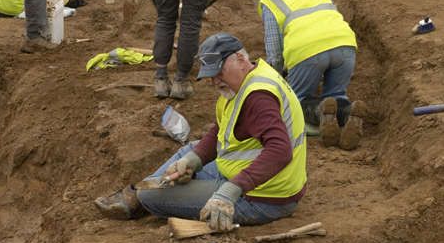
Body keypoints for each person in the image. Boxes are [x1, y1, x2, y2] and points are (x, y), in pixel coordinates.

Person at [93, 33, 305, 230]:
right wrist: (194, 160)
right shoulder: (250, 78)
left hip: (263, 197)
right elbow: (222, 130)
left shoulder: (258, 97)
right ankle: (142, 193)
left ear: (240, 59)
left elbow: (280, 151)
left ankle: (142, 198)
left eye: (219, 72)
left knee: (151, 197)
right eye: (211, 75)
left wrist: (229, 192)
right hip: (250, 176)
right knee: (191, 151)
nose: (214, 81)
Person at [248, 0, 360, 148]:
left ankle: (319, 111)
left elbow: (275, 53)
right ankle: (348, 113)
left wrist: (276, 79)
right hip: (345, 44)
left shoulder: (271, 1)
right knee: (337, 94)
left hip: (307, 50)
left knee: (295, 100)